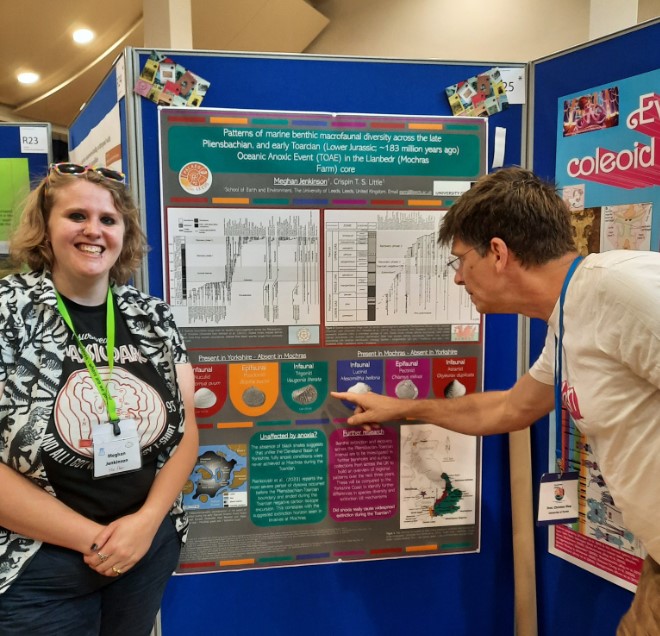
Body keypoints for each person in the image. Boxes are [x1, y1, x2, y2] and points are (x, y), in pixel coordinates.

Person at [332, 166, 660, 635]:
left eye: (461, 260)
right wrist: (403, 408)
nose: (458, 279)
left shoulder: (620, 291)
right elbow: (510, 408)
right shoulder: (571, 315)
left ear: (499, 253)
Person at [0, 163, 199, 635]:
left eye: (108, 219)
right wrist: (96, 540)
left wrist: (146, 523)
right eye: (76, 216)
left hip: (142, 550)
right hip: (36, 563)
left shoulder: (153, 317)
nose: (94, 230)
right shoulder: (8, 311)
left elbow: (187, 429)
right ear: (45, 227)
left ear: (123, 234)